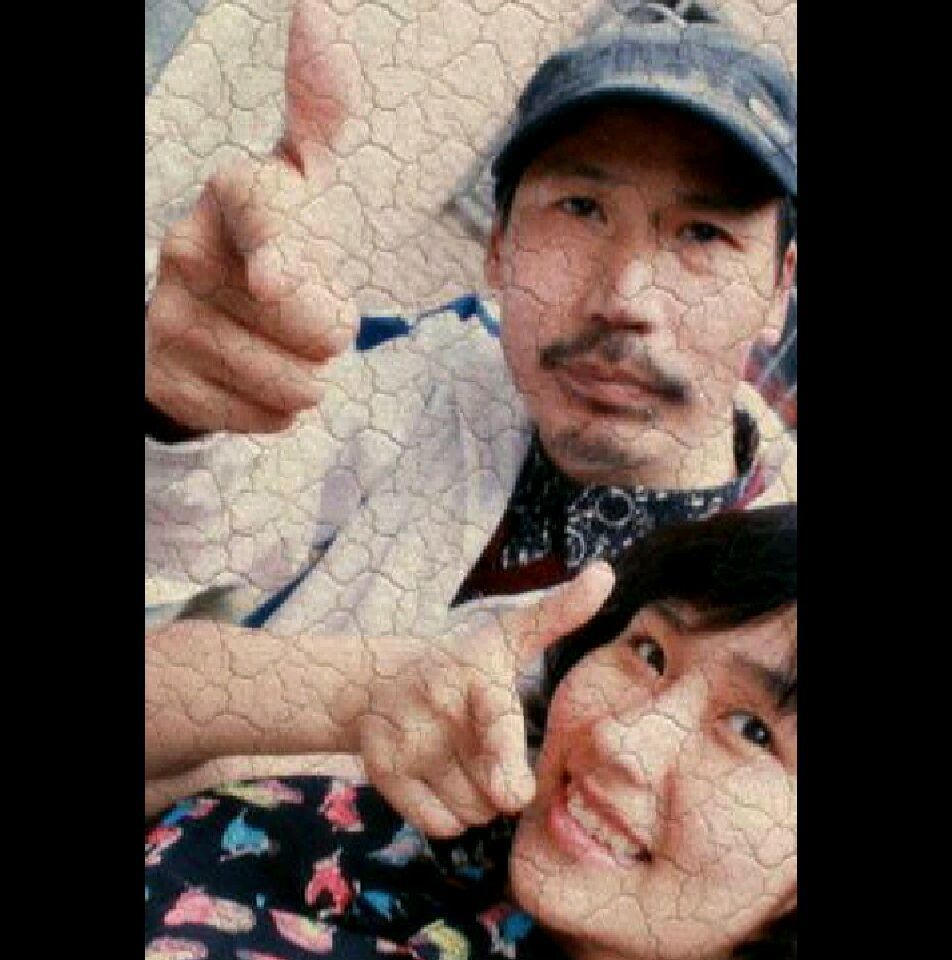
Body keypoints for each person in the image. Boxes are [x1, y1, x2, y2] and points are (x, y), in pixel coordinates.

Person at [145, 0, 798, 814]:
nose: (626, 298)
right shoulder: (438, 366)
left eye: (702, 234)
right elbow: (204, 528)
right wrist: (183, 412)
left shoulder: (779, 601)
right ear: (497, 245)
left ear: (780, 290)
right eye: (581, 209)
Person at [146, 505, 798, 960]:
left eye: (754, 732)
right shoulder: (429, 823)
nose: (621, 741)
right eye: (649, 653)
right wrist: (357, 692)